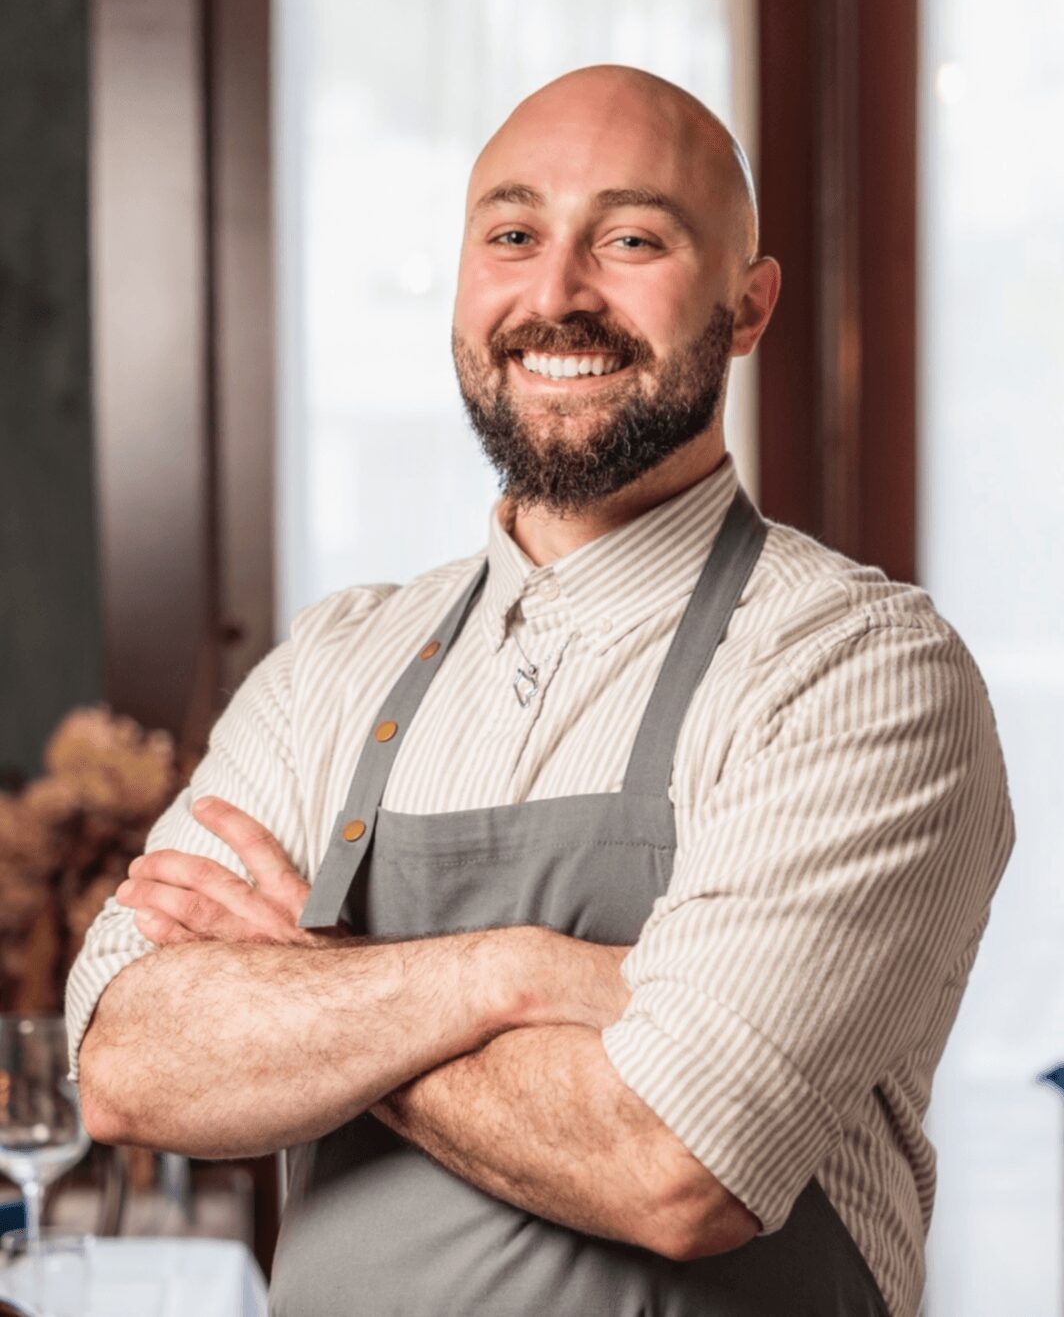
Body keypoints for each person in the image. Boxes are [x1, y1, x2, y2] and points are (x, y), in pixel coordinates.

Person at [66, 65, 1014, 1317]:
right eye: (512, 236)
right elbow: (127, 1058)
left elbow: (677, 1158)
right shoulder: (333, 662)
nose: (556, 294)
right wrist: (514, 972)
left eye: (630, 240)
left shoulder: (853, 669)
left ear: (745, 306)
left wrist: (313, 980)